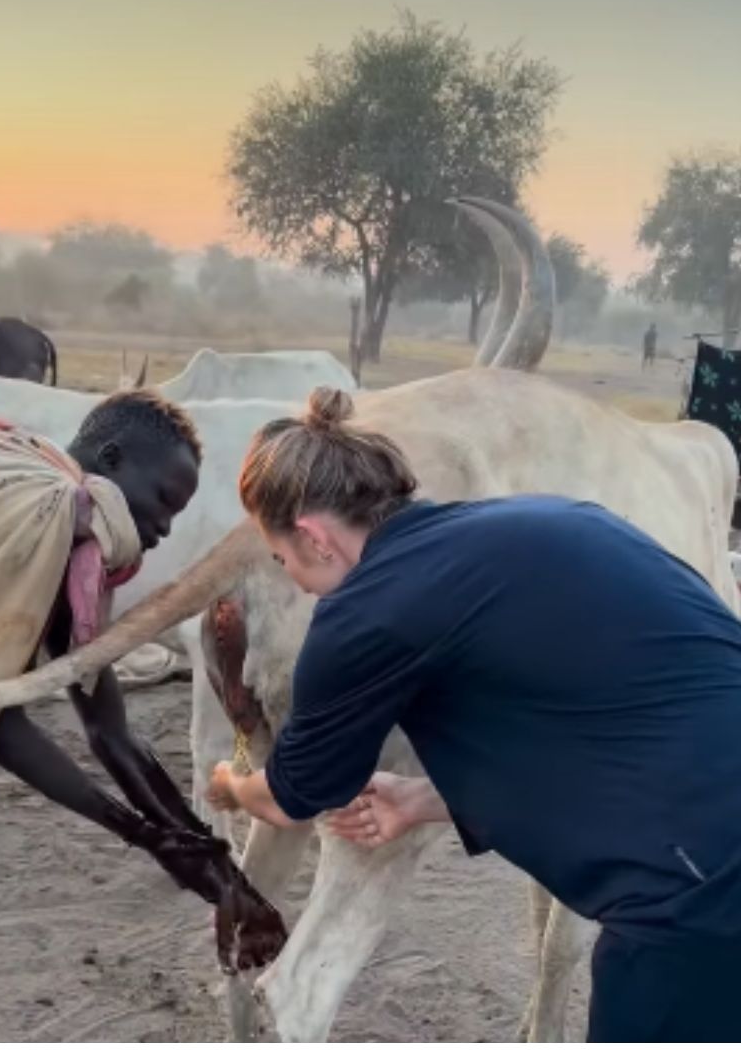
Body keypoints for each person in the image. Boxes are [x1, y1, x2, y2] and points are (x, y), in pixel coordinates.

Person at [205, 387, 741, 1042]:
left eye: (282, 557)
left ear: (315, 538)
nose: (290, 576)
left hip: (698, 894)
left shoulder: (364, 612)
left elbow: (292, 801)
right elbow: (582, 738)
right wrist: (424, 800)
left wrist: (230, 786)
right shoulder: (552, 521)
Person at [0, 391, 285, 1043]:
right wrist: (139, 833)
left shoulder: (72, 535)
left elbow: (111, 732)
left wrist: (216, 871)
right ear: (113, 458)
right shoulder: (43, 516)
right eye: (161, 503)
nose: (163, 532)